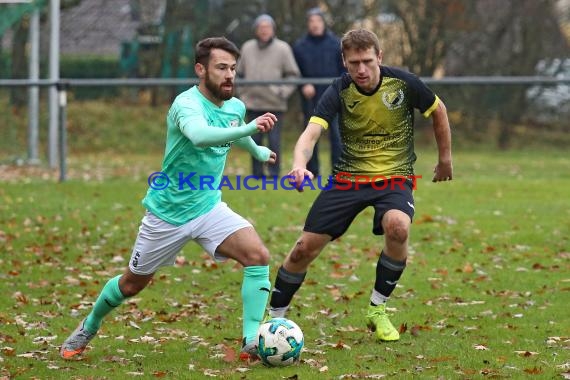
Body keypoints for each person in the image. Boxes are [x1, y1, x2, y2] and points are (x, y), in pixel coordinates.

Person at [60, 37, 278, 362]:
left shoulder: (235, 107)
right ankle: (89, 325)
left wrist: (257, 148)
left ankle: (249, 340)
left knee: (258, 256)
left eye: (233, 68)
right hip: (167, 214)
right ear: (200, 69)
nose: (229, 74)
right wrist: (248, 129)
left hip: (208, 206)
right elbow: (201, 136)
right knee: (132, 284)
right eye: (221, 68)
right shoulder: (185, 105)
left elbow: (234, 127)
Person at [268, 29, 453, 342]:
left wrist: (445, 158)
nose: (361, 70)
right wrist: (299, 165)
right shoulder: (339, 90)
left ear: (379, 57)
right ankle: (273, 321)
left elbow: (438, 110)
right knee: (302, 250)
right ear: (344, 61)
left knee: (398, 227)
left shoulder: (404, 83)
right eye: (354, 63)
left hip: (393, 178)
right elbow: (311, 133)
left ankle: (377, 309)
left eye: (367, 61)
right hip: (348, 179)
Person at [237, 14, 300, 178]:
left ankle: (274, 173)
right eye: (261, 28)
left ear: (273, 30)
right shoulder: (247, 47)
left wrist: (282, 92)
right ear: (256, 30)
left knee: (274, 142)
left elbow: (293, 75)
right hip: (252, 103)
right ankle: (257, 174)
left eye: (268, 27)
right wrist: (242, 93)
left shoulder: (283, 48)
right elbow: (238, 74)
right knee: (254, 142)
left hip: (274, 104)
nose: (264, 31)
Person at [292, 7, 345, 176]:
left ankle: (337, 172)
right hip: (310, 97)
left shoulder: (336, 44)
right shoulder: (300, 46)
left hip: (334, 95)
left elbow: (344, 70)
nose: (315, 25)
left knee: (337, 135)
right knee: (310, 135)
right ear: (308, 24)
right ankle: (311, 171)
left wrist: (338, 88)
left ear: (323, 23)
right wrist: (303, 84)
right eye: (311, 21)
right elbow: (294, 71)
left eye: (318, 21)